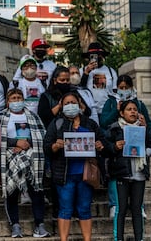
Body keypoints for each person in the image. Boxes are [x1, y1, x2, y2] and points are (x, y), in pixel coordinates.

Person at [43, 92, 110, 241]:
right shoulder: (56, 123)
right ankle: (63, 239)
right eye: (66, 103)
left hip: (85, 174)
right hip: (65, 175)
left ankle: (87, 239)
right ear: (61, 106)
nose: (70, 105)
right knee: (65, 209)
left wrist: (100, 146)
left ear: (80, 104)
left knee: (84, 208)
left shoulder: (90, 123)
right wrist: (55, 146)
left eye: (73, 102)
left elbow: (104, 144)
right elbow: (46, 147)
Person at [0, 88, 50, 238]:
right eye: (13, 98)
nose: (16, 101)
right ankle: (15, 225)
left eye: (19, 97)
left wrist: (26, 143)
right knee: (12, 191)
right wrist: (15, 142)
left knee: (37, 190)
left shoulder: (33, 116)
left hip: (33, 158)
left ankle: (39, 225)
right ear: (8, 102)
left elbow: (42, 137)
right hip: (10, 157)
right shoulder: (0, 117)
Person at [100, 74, 150, 219]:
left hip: (136, 142)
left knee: (137, 175)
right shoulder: (110, 102)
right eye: (121, 88)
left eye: (126, 88)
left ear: (131, 88)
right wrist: (116, 110)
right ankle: (114, 204)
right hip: (117, 142)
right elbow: (104, 122)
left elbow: (148, 123)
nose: (124, 90)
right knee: (115, 174)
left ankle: (139, 206)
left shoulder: (138, 104)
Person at [105, 100, 151, 241]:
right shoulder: (114, 128)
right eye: (129, 109)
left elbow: (149, 145)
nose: (133, 112)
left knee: (137, 209)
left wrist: (146, 130)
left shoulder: (143, 128)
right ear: (121, 113)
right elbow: (105, 150)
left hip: (139, 174)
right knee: (121, 209)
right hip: (121, 175)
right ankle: (118, 238)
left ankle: (139, 238)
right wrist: (115, 147)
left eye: (135, 109)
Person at [80, 42, 117, 117]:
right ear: (89, 57)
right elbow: (80, 89)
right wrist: (86, 73)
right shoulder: (81, 71)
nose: (96, 57)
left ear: (102, 56)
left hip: (106, 111)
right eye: (93, 55)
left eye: (98, 54)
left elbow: (115, 92)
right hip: (89, 110)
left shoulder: (111, 71)